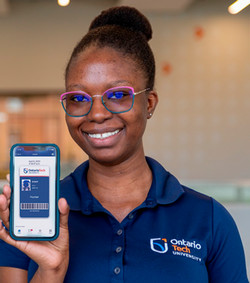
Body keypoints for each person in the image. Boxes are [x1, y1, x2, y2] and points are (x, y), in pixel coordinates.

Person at [0, 6, 248, 283]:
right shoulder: (30, 220)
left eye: (117, 94)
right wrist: (51, 271)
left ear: (149, 103)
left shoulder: (209, 219)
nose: (96, 114)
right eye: (78, 99)